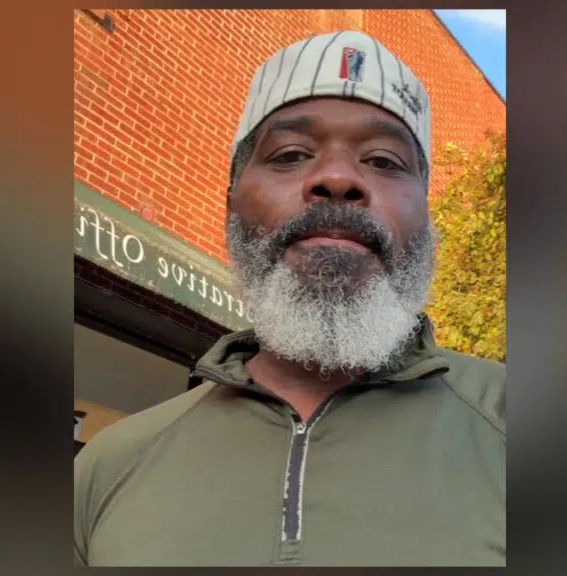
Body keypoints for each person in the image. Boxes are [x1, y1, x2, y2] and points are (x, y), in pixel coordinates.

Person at [74, 30, 506, 567]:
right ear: (232, 205)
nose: (338, 178)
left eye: (384, 160)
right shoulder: (105, 467)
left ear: (425, 215)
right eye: (291, 154)